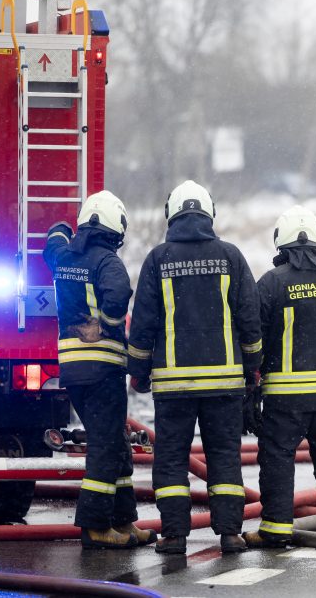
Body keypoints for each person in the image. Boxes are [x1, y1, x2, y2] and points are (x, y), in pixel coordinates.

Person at [127, 180, 262, 555]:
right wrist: (253, 367)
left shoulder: (158, 259)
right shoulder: (231, 256)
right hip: (224, 383)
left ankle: (174, 535)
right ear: (209, 213)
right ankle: (230, 534)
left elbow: (143, 322)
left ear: (172, 215)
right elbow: (249, 318)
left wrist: (137, 371)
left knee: (170, 458)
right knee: (224, 457)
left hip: (173, 385)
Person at [242, 205, 316, 547]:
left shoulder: (270, 283)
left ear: (280, 243)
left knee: (277, 459)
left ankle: (276, 529)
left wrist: (255, 376)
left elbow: (253, 332)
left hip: (284, 396)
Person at [43, 190, 155, 550]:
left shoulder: (62, 255)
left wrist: (64, 226)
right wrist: (106, 324)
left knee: (117, 443)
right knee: (107, 447)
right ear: (114, 229)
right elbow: (119, 294)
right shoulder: (108, 261)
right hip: (103, 365)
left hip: (73, 370)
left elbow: (53, 240)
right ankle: (95, 527)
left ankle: (123, 521)